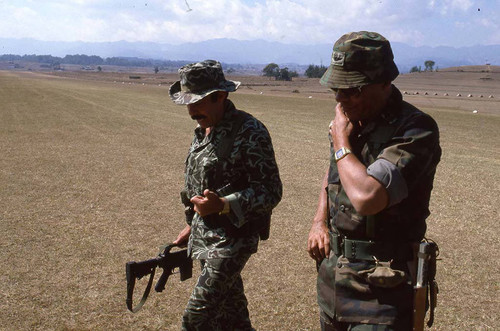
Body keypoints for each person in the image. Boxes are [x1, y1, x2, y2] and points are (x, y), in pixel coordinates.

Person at [307, 31, 441, 330]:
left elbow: (368, 197)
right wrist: (318, 221)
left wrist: (340, 139)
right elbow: (334, 176)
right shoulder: (353, 121)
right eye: (336, 89)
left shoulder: (415, 129)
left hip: (383, 292)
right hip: (335, 285)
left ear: (384, 83)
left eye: (352, 89)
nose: (341, 99)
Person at [169, 59, 282, 331]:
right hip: (205, 239)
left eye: (198, 101)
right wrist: (190, 224)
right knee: (231, 320)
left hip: (232, 243)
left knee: (195, 319)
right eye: (188, 102)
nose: (192, 110)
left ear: (221, 96)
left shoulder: (249, 132)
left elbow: (271, 190)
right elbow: (197, 184)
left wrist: (224, 205)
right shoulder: (202, 131)